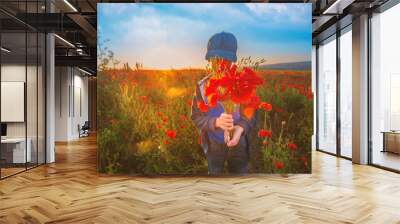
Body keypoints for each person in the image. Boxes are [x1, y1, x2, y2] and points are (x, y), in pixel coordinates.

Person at [191, 32, 256, 175]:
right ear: (209, 60)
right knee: (215, 174)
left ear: (233, 60)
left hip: (238, 140)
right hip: (214, 143)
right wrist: (216, 122)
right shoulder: (202, 86)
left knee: (240, 175)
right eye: (216, 58)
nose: (221, 63)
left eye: (226, 59)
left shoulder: (242, 82)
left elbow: (250, 114)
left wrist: (240, 127)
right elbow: (196, 117)